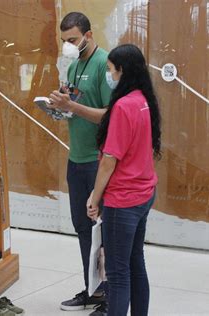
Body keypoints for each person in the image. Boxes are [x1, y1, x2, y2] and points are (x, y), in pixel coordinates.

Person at [87, 44, 161, 316]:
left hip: (124, 200)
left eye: (110, 70)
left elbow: (109, 160)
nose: (109, 75)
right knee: (135, 262)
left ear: (122, 71)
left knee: (117, 274)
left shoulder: (123, 106)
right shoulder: (143, 100)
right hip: (143, 193)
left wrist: (95, 197)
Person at [48, 12, 112, 314]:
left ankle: (110, 292)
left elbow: (111, 115)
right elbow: (75, 107)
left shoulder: (104, 64)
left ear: (88, 34)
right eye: (64, 41)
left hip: (97, 161)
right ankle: (92, 288)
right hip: (75, 158)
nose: (68, 46)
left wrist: (71, 105)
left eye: (72, 40)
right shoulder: (73, 65)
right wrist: (59, 106)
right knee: (82, 228)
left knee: (103, 230)